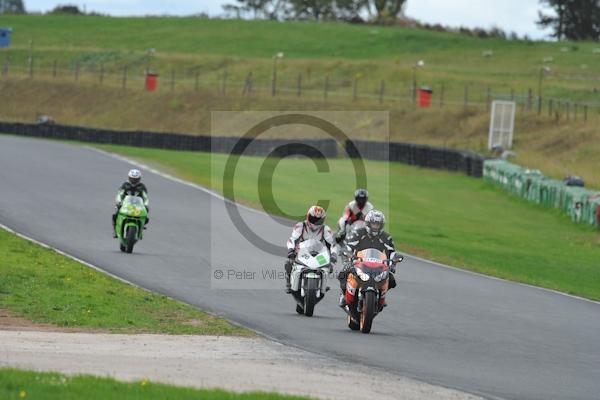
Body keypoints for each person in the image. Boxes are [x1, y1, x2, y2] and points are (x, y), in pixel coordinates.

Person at [338, 210, 398, 310]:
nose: (375, 227)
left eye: (378, 224)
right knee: (342, 273)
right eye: (373, 224)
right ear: (368, 223)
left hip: (378, 264)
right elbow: (349, 246)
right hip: (359, 262)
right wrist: (348, 254)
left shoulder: (386, 237)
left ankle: (380, 295)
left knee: (391, 279)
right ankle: (344, 295)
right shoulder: (358, 233)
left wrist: (393, 261)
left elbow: (392, 252)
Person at [285, 206, 337, 293]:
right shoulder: (301, 225)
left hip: (318, 254)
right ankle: (289, 283)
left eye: (318, 220)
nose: (315, 222)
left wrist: (334, 254)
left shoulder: (325, 229)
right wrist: (290, 249)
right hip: (301, 252)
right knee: (288, 262)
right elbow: (292, 239)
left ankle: (323, 284)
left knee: (330, 267)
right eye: (313, 219)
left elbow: (333, 244)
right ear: (308, 217)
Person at [112, 169, 149, 238]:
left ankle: (141, 228)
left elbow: (145, 197)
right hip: (125, 204)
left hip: (138, 206)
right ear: (129, 177)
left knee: (146, 216)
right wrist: (119, 202)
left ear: (139, 179)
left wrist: (146, 205)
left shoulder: (142, 187)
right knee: (115, 214)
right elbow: (119, 194)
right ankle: (114, 229)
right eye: (132, 179)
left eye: (136, 179)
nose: (134, 181)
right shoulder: (125, 185)